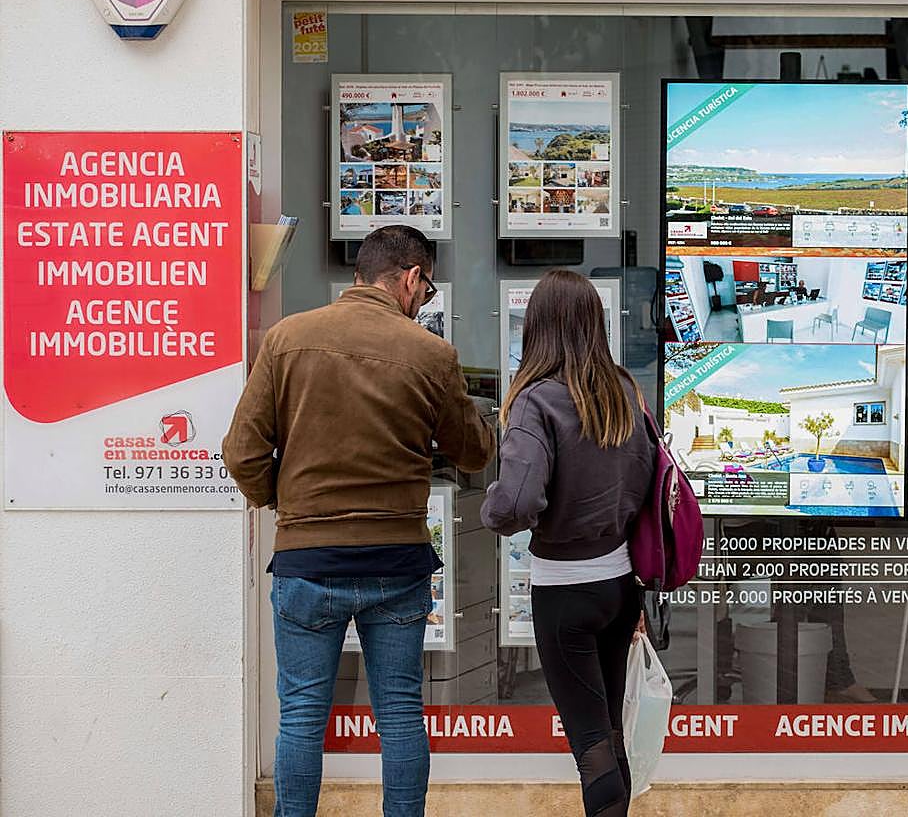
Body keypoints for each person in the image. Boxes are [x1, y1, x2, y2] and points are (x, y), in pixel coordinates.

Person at [223, 225, 494, 817]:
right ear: (412, 279)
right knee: (399, 711)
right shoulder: (431, 354)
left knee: (301, 713)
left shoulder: (287, 339)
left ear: (359, 276)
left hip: (307, 560)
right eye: (426, 290)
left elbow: (241, 453)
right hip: (396, 560)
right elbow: (474, 453)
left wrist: (288, 506)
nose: (423, 302)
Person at [481, 270, 655, 817]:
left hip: (565, 592)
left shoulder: (536, 401)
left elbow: (514, 503)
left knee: (591, 745)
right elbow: (646, 481)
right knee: (610, 732)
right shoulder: (625, 391)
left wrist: (491, 507)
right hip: (620, 586)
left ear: (537, 327)